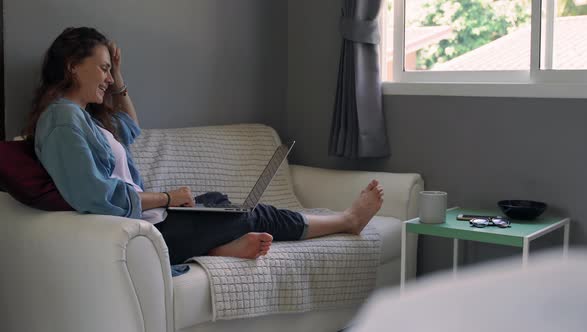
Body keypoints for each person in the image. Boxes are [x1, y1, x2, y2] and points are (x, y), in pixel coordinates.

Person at [23, 27, 384, 265]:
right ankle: (347, 221)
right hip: (144, 231)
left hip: (153, 221)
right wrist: (166, 198)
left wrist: (119, 77)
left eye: (108, 70)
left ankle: (218, 246)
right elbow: (95, 195)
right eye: (101, 69)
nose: (106, 78)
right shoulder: (61, 120)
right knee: (255, 214)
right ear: (72, 67)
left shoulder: (85, 117)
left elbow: (131, 129)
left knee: (217, 202)